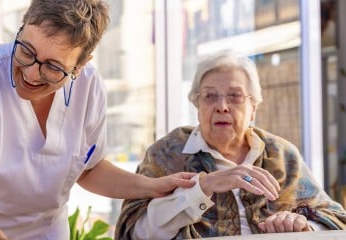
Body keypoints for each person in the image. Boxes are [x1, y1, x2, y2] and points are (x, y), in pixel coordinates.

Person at [0, 0, 196, 239]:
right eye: (26, 50)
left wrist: (153, 187)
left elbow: (90, 170)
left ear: (81, 65)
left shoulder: (89, 86)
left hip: (51, 232)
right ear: (21, 27)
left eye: (53, 67)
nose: (31, 73)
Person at [115, 51, 346, 239]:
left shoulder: (282, 154)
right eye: (210, 96)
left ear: (253, 107)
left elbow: (336, 219)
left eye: (234, 96)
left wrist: (304, 225)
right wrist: (202, 187)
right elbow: (136, 231)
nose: (222, 106)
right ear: (198, 106)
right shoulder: (167, 153)